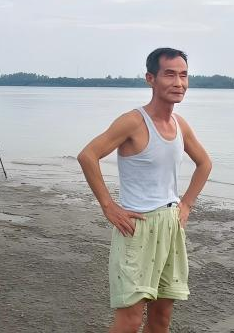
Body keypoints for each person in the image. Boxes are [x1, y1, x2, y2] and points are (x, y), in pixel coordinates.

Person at [77, 48, 212, 333]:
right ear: (151, 78)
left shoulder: (180, 124)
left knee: (161, 319)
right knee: (130, 320)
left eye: (184, 75)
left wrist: (186, 205)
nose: (179, 83)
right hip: (137, 227)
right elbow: (88, 155)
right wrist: (108, 206)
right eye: (170, 74)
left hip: (171, 225)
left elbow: (204, 163)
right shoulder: (133, 121)